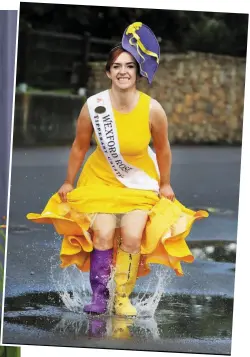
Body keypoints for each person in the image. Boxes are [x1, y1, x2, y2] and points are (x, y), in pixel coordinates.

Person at [27, 22, 208, 317]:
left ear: (137, 72)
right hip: (99, 182)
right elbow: (78, 146)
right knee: (103, 234)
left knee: (134, 237)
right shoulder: (94, 107)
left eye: (129, 66)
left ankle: (122, 298)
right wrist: (68, 182)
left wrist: (165, 183)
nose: (123, 71)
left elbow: (162, 149)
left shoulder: (153, 110)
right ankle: (99, 297)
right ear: (109, 72)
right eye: (117, 66)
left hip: (137, 187)